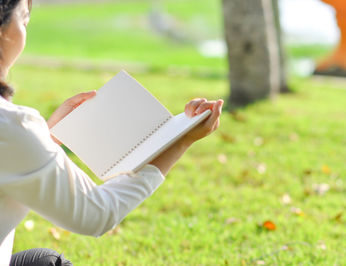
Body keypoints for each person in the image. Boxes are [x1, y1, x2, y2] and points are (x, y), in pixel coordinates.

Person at [0, 0, 224, 265]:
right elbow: (97, 214)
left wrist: (47, 139)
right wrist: (182, 140)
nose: (27, 30)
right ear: (4, 31)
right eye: (24, 20)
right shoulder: (12, 125)